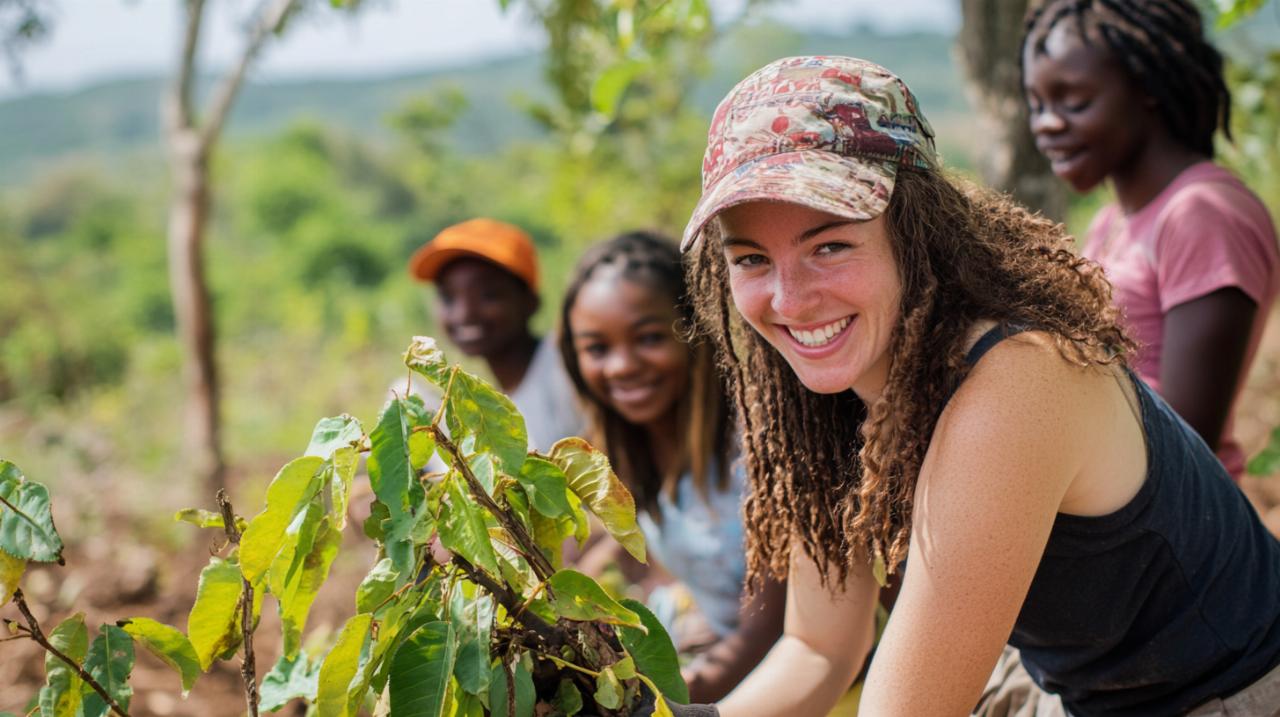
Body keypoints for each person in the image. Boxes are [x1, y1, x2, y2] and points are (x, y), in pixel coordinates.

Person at [657, 55, 1280, 716]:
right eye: (751, 259)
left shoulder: (1014, 380)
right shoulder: (830, 392)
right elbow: (818, 647)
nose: (790, 298)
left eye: (830, 246)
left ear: (915, 232)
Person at [1021, 0, 1279, 480]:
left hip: (1180, 536)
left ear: (1147, 86)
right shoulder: (1111, 220)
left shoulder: (1202, 214)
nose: (1046, 125)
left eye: (1074, 101)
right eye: (1036, 104)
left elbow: (1185, 439)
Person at [558, 231, 785, 702]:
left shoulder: (765, 443)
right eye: (597, 349)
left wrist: (652, 701)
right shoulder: (625, 455)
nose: (622, 366)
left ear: (695, 328)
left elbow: (771, 628)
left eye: (649, 338)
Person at [407, 217, 583, 450]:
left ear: (530, 302)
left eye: (488, 294)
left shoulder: (568, 369)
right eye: (448, 298)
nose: (465, 314)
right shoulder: (493, 401)